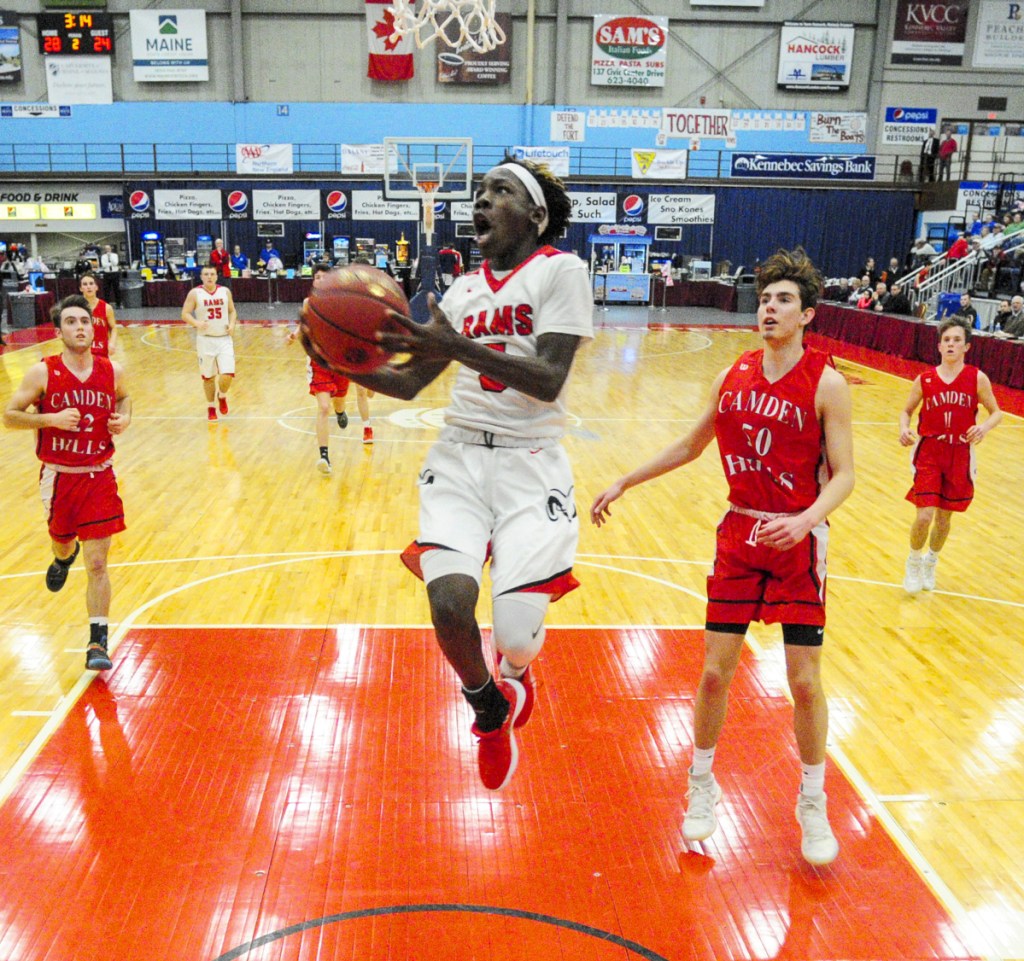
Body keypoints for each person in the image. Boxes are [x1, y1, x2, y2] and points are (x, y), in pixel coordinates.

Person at [300, 157, 592, 792]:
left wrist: (454, 346)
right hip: (458, 456)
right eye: (480, 192)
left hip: (531, 460)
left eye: (500, 192)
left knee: (517, 634)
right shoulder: (461, 292)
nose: (481, 202)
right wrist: (336, 361)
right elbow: (407, 383)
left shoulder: (561, 272)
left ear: (537, 215)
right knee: (449, 601)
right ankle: (486, 703)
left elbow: (547, 380)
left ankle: (514, 672)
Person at [590, 248, 855, 866]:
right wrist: (626, 480)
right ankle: (700, 787)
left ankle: (812, 801)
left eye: (784, 300)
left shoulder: (828, 383)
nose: (769, 307)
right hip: (739, 535)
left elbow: (844, 476)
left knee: (804, 682)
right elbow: (692, 442)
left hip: (798, 539)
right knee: (713, 673)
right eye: (765, 298)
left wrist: (807, 519)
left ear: (808, 314)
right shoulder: (732, 374)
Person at [3, 294, 131, 672]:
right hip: (59, 477)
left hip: (99, 474)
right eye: (72, 322)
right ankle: (63, 556)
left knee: (97, 563)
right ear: (58, 331)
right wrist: (50, 419)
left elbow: (125, 400)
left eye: (85, 322)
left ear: (94, 328)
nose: (80, 328)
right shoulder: (43, 372)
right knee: (62, 542)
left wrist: (124, 419)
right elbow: (9, 416)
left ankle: (98, 641)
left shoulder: (112, 370)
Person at [899, 319, 1001, 593]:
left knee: (944, 518)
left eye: (957, 340)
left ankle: (931, 561)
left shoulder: (977, 378)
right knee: (924, 515)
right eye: (947, 340)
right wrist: (904, 429)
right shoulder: (925, 378)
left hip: (960, 453)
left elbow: (997, 412)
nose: (951, 344)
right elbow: (906, 411)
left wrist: (983, 428)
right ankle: (913, 560)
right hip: (930, 451)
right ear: (939, 346)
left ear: (967, 346)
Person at [288, 264, 374, 473]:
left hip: (339, 361)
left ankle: (341, 410)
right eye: (317, 277)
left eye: (324, 278)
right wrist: (295, 334)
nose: (319, 281)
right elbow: (305, 323)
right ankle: (324, 457)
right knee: (323, 407)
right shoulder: (309, 302)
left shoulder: (341, 302)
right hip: (319, 362)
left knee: (338, 401)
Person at [181, 264, 238, 421]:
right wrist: (196, 323)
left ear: (217, 276)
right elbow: (185, 313)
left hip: (224, 338)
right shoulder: (195, 293)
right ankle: (211, 407)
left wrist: (232, 325)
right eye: (206, 274)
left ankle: (222, 395)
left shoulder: (225, 291)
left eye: (212, 274)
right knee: (209, 377)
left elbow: (232, 311)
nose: (209, 277)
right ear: (201, 277)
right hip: (205, 340)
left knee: (227, 374)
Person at [79, 272, 117, 358]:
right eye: (85, 284)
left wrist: (112, 342)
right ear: (81, 289)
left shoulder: (106, 308)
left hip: (101, 352)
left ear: (96, 287)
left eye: (91, 283)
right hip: (83, 352)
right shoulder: (77, 308)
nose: (88, 286)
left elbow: (113, 327)